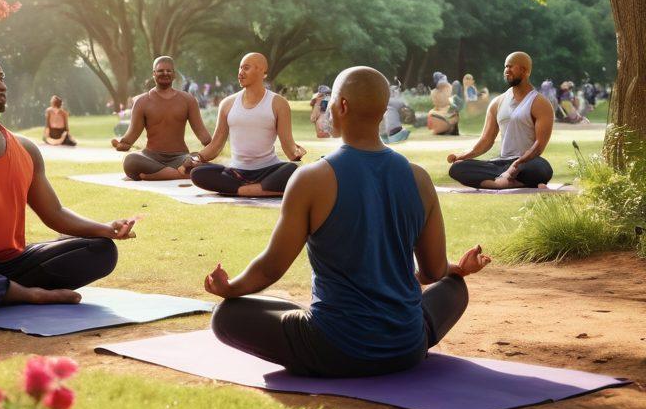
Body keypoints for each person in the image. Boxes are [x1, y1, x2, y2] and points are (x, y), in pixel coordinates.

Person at [204, 66, 489, 376]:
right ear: (383, 111)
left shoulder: (311, 179)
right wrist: (456, 269)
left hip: (334, 348)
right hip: (407, 347)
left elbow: (271, 267)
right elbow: (433, 271)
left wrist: (230, 288)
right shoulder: (418, 178)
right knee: (455, 287)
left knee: (226, 317)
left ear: (341, 106)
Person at [0, 55, 137, 311]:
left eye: (1, 77)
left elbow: (54, 212)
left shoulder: (26, 149)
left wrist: (106, 229)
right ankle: (31, 295)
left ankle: (5, 289)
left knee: (102, 251)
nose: (1, 85)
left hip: (16, 263)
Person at [188, 53, 306, 197]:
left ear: (262, 71)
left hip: (268, 170)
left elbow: (288, 147)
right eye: (240, 68)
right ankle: (262, 189)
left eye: (246, 68)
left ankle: (241, 190)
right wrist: (196, 159)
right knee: (198, 173)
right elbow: (216, 145)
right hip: (236, 173)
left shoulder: (278, 103)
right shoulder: (227, 104)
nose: (240, 73)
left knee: (293, 170)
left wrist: (296, 154)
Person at [447, 51, 554, 189]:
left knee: (541, 169)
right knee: (458, 168)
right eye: (505, 67)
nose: (507, 71)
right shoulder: (497, 102)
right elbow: (486, 141)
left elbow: (539, 145)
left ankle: (505, 181)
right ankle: (501, 183)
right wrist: (462, 156)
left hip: (526, 163)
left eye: (511, 67)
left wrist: (517, 164)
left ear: (525, 70)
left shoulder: (540, 103)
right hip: (501, 164)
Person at [112, 56, 212, 179]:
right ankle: (181, 173)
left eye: (169, 71)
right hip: (151, 158)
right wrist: (122, 145)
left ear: (174, 74)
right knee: (130, 161)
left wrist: (214, 146)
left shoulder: (188, 100)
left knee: (199, 162)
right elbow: (131, 136)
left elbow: (202, 133)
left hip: (181, 158)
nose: (165, 73)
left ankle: (152, 175)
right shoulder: (142, 102)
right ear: (154, 74)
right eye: (160, 71)